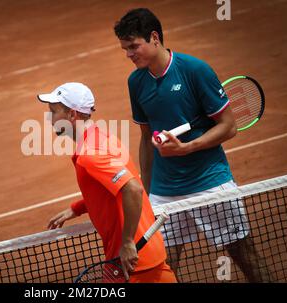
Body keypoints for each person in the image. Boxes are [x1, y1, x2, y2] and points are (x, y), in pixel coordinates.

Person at [113, 8, 272, 282]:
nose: (129, 54)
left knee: (244, 255)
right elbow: (145, 137)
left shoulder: (194, 70)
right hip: (165, 193)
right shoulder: (136, 82)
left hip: (210, 184)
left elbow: (228, 126)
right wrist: (150, 193)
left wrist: (187, 148)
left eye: (133, 46)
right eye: (125, 48)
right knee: (162, 266)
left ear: (154, 38)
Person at [37, 82, 177, 283]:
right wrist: (78, 208)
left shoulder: (90, 154)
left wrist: (128, 241)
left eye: (53, 111)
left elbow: (133, 189)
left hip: (132, 261)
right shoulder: (102, 137)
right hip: (145, 250)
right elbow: (115, 188)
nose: (49, 117)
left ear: (72, 115)